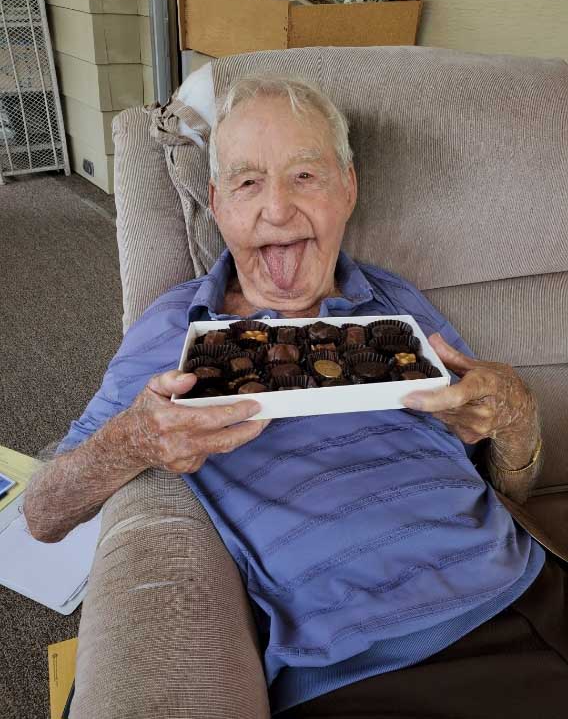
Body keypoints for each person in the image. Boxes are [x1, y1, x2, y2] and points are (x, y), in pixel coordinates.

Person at [24, 75, 566, 718]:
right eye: (249, 182)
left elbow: (512, 484)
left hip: (536, 588)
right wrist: (129, 441)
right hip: (369, 667)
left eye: (305, 176)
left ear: (348, 189)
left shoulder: (397, 305)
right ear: (217, 203)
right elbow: (42, 514)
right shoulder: (174, 328)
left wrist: (515, 414)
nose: (277, 209)